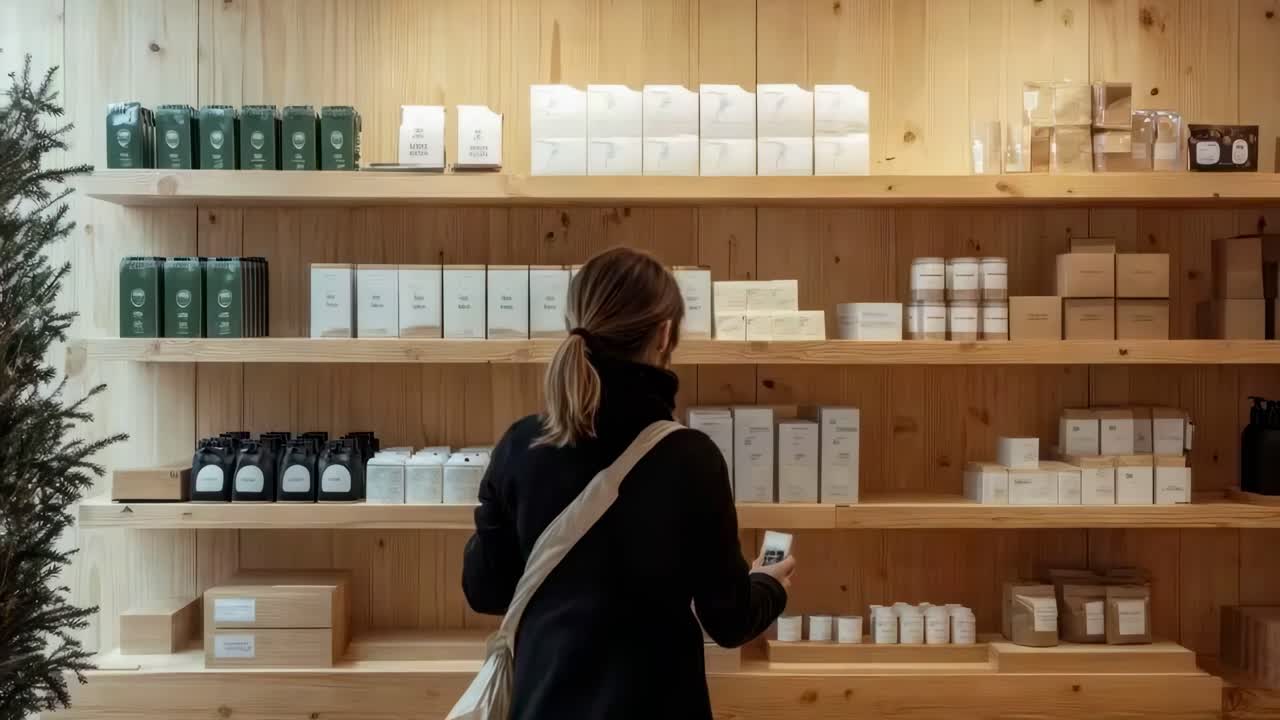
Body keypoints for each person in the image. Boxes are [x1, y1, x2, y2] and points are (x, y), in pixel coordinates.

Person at [462, 246, 795, 719]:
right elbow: (730, 621)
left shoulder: (521, 445)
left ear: (575, 324)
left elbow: (486, 590)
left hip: (544, 703)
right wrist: (767, 584)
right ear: (664, 335)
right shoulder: (691, 458)